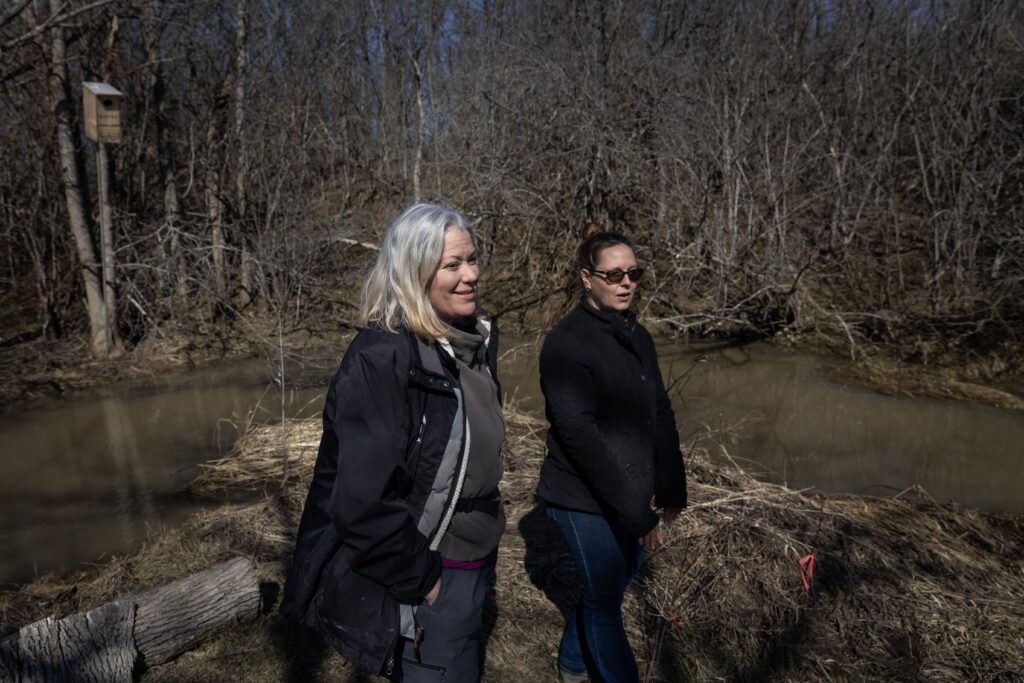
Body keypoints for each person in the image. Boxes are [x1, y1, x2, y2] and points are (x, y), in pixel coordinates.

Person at [280, 203, 506, 681]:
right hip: (430, 570)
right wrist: (425, 582)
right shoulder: (383, 358)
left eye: (472, 258)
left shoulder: (471, 340)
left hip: (477, 551)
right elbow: (361, 502)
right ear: (414, 273)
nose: (471, 274)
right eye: (452, 265)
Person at [537, 225, 687, 683]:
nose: (626, 283)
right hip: (580, 496)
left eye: (634, 274)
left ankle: (572, 665)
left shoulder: (636, 335)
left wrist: (671, 488)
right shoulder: (566, 345)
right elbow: (581, 439)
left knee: (611, 589)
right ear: (587, 278)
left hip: (630, 492)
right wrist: (637, 517)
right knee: (604, 601)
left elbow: (658, 412)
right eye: (613, 274)